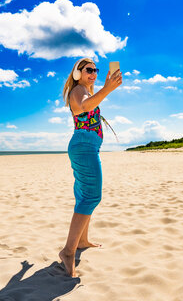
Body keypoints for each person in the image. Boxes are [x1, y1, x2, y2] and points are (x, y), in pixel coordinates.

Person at [58, 57, 122, 277]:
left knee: (83, 196)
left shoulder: (86, 91)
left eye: (95, 69)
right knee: (91, 197)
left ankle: (83, 240)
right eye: (88, 70)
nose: (93, 73)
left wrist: (104, 88)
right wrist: (107, 89)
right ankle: (68, 252)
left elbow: (90, 102)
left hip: (87, 147)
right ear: (78, 73)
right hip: (84, 147)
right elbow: (84, 106)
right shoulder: (78, 91)